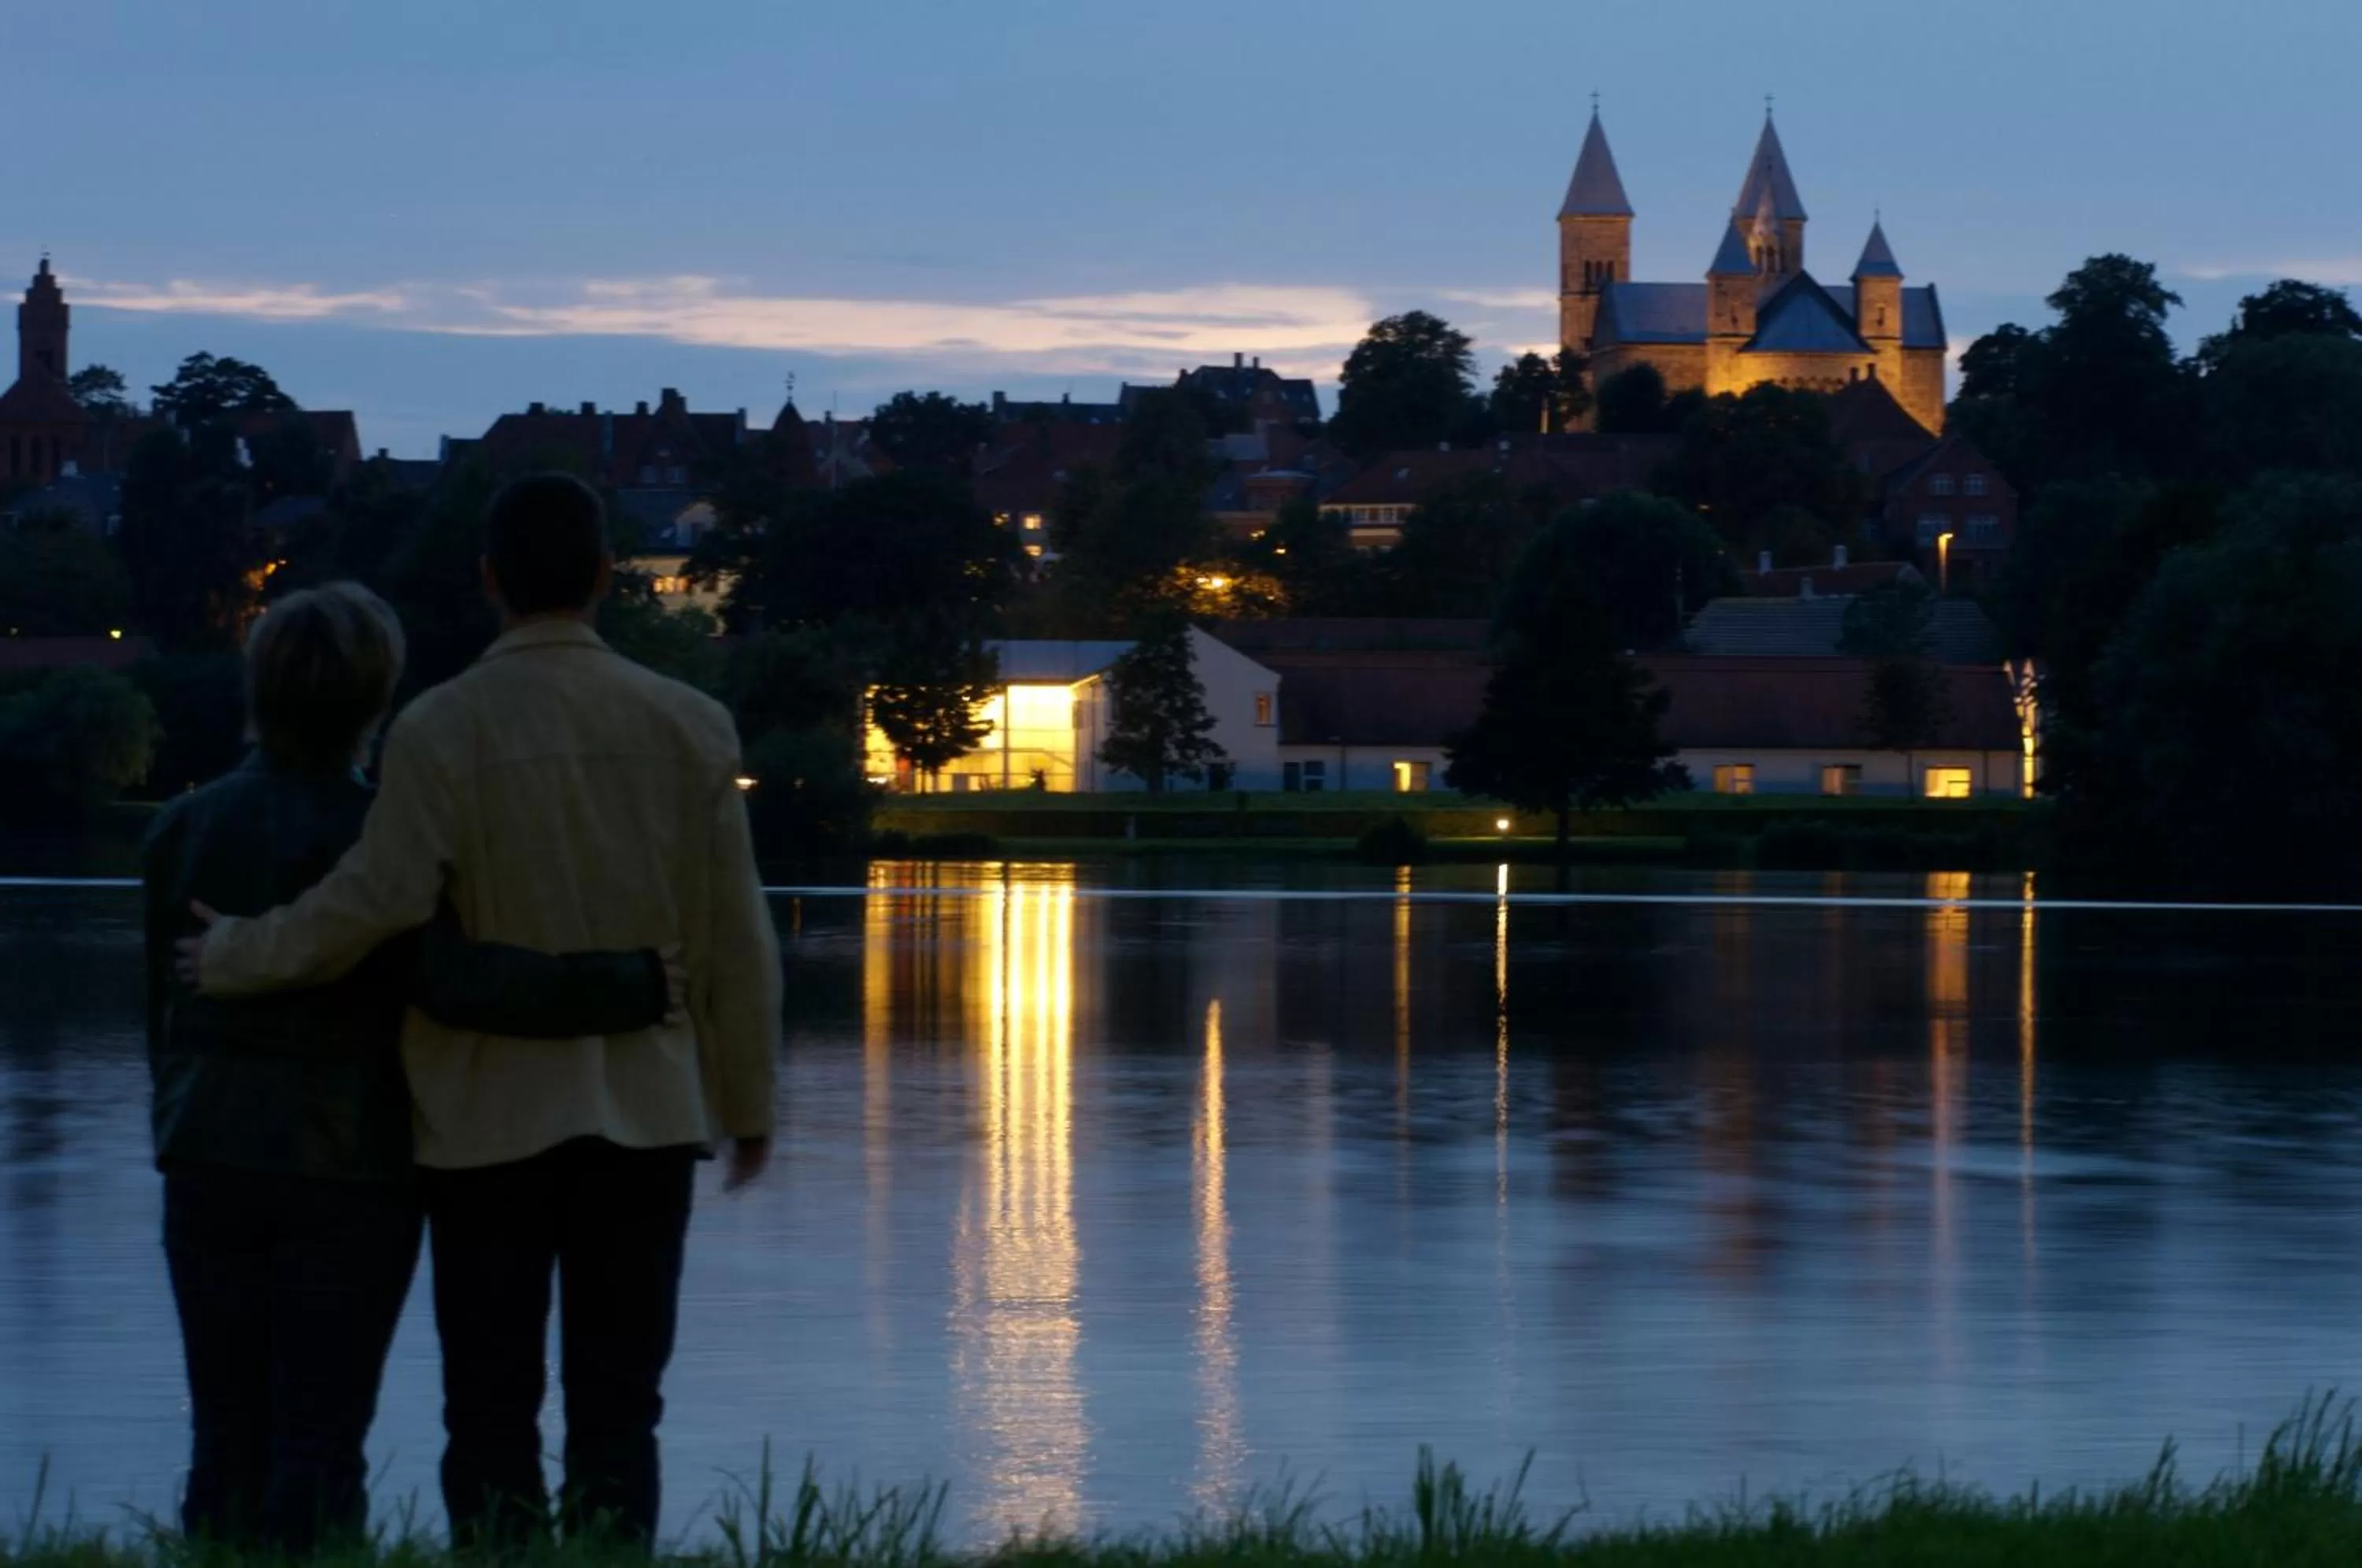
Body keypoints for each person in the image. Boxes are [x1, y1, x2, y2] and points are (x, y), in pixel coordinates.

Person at [182, 474, 781, 1549]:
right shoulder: (692, 724)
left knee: (489, 1408)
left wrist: (238, 951)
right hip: (646, 1114)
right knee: (620, 1408)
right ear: (605, 578)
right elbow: (737, 937)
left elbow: (377, 903)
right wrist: (747, 1102)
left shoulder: (438, 728)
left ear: (489, 580)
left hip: (480, 1123)